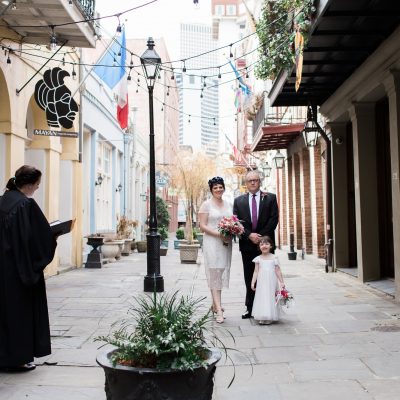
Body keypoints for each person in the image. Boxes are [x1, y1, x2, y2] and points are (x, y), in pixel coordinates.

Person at [0, 165, 57, 372]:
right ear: (31, 184)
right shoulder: (26, 205)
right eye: (38, 184)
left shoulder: (3, 201)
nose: (38, 188)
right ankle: (19, 358)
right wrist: (53, 235)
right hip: (18, 271)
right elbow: (38, 239)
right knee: (19, 313)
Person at [233, 170, 278, 319]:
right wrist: (248, 235)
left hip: (266, 246)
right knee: (249, 276)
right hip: (247, 245)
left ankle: (269, 307)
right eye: (250, 180)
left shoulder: (270, 198)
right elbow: (236, 223)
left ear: (260, 182)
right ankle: (250, 307)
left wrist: (260, 238)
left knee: (267, 276)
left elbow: (273, 219)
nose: (253, 182)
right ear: (246, 184)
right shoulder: (238, 201)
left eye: (255, 180)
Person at [199, 176, 232, 323]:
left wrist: (232, 232)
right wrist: (219, 234)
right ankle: (219, 310)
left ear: (223, 188)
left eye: (220, 187)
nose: (218, 189)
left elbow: (233, 222)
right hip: (212, 242)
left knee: (221, 271)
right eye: (215, 188)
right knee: (214, 273)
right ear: (211, 190)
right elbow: (203, 226)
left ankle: (214, 304)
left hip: (225, 243)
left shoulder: (228, 204)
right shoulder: (206, 205)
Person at [251, 236, 285, 325]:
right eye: (262, 244)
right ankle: (262, 315)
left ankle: (270, 316)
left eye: (267, 244)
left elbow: (278, 270)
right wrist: (253, 282)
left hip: (271, 281)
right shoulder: (258, 258)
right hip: (262, 282)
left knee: (270, 297)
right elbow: (256, 271)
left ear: (271, 246)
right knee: (262, 297)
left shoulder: (274, 258)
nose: (264, 246)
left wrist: (281, 282)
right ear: (259, 247)